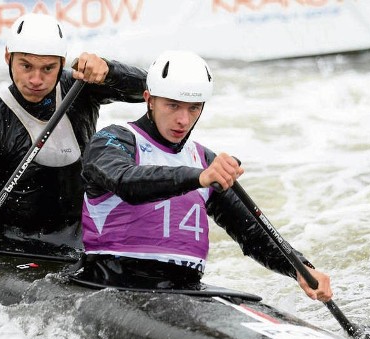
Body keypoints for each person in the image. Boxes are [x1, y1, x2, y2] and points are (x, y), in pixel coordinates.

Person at [76, 50, 332, 302]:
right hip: (111, 286)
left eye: (194, 108)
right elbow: (126, 181)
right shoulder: (112, 140)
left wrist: (299, 267)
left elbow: (251, 232)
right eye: (173, 105)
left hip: (186, 291)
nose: (183, 120)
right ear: (149, 99)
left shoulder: (204, 160)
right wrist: (198, 178)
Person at [0, 13, 146, 262]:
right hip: (13, 249)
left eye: (48, 68)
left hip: (85, 243)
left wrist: (110, 70)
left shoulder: (80, 88)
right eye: (26, 66)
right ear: (8, 58)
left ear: (62, 62)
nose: (36, 80)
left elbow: (151, 91)